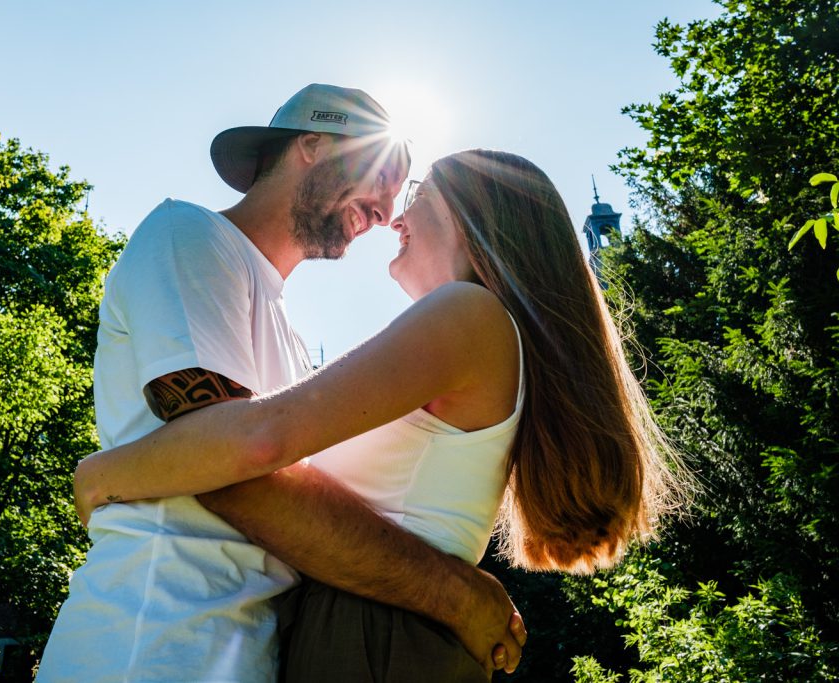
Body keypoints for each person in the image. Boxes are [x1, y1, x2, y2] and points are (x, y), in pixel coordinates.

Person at [74, 149, 689, 681]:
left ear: (476, 218)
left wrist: (105, 474)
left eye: (418, 193)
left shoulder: (467, 317)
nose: (396, 215)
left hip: (376, 637)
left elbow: (261, 442)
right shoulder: (478, 331)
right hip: (384, 631)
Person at [36, 86, 526, 683]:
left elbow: (281, 486)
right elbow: (228, 460)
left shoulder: (292, 343)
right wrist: (451, 592)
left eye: (402, 190)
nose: (386, 209)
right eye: (381, 172)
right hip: (152, 639)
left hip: (248, 654)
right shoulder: (188, 236)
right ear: (311, 145)